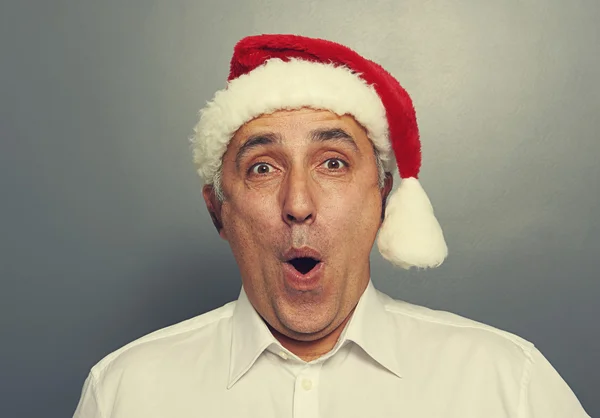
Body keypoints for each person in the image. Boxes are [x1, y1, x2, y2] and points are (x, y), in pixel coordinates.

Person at [73, 34, 589, 417]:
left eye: (334, 163)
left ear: (382, 199)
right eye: (262, 168)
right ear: (219, 211)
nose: (298, 203)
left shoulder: (509, 384)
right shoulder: (123, 392)